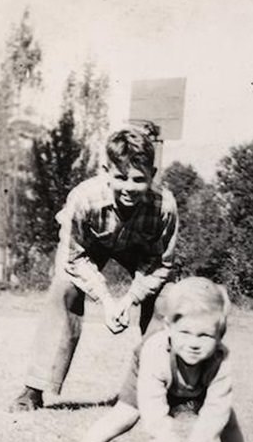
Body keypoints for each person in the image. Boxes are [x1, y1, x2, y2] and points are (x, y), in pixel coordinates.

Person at [11, 126, 179, 411]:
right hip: (89, 249)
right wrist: (107, 301)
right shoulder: (84, 197)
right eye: (120, 177)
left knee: (168, 298)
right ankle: (34, 389)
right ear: (105, 170)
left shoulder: (165, 206)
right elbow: (74, 258)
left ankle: (156, 387)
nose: (129, 187)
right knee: (63, 289)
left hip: (140, 254)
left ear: (153, 173)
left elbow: (160, 264)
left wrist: (128, 300)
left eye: (139, 179)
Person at [57, 277, 253, 442]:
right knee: (125, 414)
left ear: (219, 335)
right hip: (154, 375)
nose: (194, 343)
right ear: (169, 328)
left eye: (204, 335)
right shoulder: (155, 353)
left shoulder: (219, 361)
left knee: (228, 420)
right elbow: (152, 406)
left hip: (199, 381)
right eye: (185, 332)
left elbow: (216, 409)